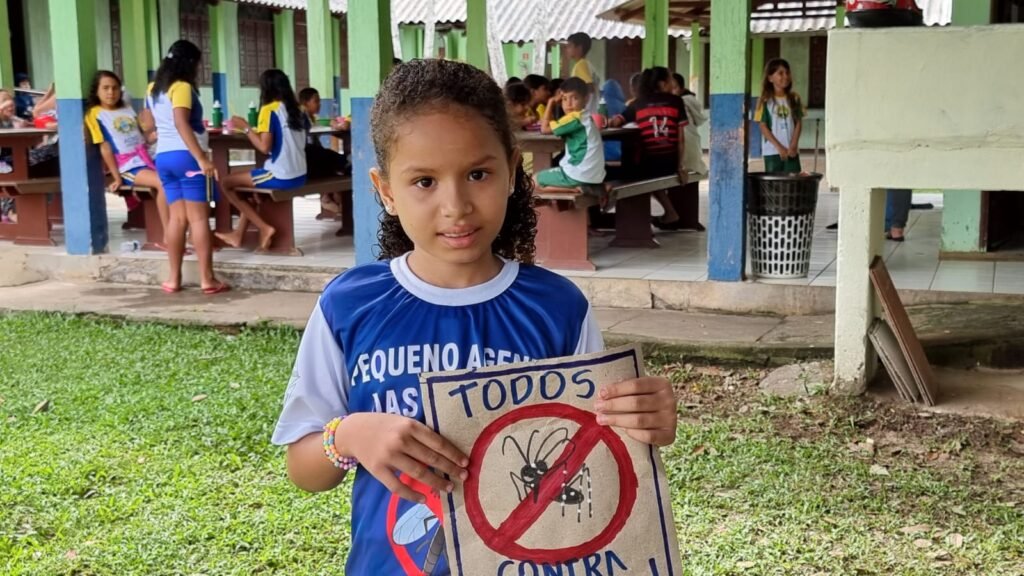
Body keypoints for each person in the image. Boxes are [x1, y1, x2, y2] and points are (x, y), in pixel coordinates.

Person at [271, 58, 677, 576]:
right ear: (385, 190)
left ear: (512, 171)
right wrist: (347, 435)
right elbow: (304, 470)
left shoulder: (558, 308)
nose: (456, 204)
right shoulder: (348, 306)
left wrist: (647, 420)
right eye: (424, 181)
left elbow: (599, 449)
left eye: (478, 174)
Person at [147, 39, 228, 294]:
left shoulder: (154, 88)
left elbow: (150, 123)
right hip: (187, 158)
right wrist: (202, 158)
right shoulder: (181, 87)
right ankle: (207, 279)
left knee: (177, 219)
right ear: (190, 63)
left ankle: (173, 279)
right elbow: (181, 123)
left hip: (164, 158)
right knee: (199, 218)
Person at [215, 69, 307, 251]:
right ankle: (238, 235)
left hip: (281, 175)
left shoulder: (268, 110)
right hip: (300, 173)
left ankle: (265, 228)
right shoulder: (299, 110)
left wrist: (246, 128)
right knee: (247, 187)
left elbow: (264, 147)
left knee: (226, 182)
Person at [85, 70, 171, 235]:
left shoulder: (127, 108)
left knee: (178, 176)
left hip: (145, 157)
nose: (111, 92)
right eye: (106, 88)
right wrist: (117, 176)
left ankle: (179, 230)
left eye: (115, 88)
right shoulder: (95, 114)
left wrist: (151, 135)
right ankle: (169, 234)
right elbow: (105, 147)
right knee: (164, 183)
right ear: (97, 90)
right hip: (127, 166)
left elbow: (140, 136)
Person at [608, 67, 688, 229]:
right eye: (671, 78)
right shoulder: (676, 101)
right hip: (669, 162)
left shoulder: (638, 103)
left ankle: (608, 213)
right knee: (630, 171)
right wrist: (680, 166)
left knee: (611, 172)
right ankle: (668, 213)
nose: (673, 82)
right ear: (662, 83)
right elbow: (680, 139)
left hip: (647, 165)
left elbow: (616, 122)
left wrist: (607, 120)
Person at [535, 77, 607, 204]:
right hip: (593, 176)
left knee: (533, 180)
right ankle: (577, 188)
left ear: (586, 99)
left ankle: (574, 189)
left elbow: (544, 128)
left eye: (574, 98)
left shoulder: (574, 118)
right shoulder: (585, 117)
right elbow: (552, 125)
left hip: (577, 174)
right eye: (564, 99)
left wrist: (551, 102)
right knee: (541, 184)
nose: (568, 104)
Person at [754, 58, 804, 174]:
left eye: (787, 72)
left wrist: (793, 145)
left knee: (793, 182)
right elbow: (763, 126)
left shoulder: (794, 98)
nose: (785, 76)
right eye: (780, 73)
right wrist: (779, 147)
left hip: (792, 151)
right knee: (774, 185)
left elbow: (798, 123)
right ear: (770, 78)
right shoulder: (764, 100)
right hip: (772, 151)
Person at [672, 72, 708, 177]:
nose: (672, 92)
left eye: (675, 88)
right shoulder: (689, 101)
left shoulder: (681, 103)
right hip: (692, 150)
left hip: (686, 150)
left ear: (682, 89)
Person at [567, 32, 599, 113]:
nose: (567, 49)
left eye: (570, 46)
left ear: (579, 48)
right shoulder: (587, 64)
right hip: (592, 111)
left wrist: (580, 104)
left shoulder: (581, 65)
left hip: (584, 112)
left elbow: (589, 87)